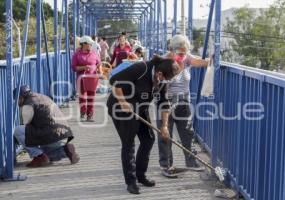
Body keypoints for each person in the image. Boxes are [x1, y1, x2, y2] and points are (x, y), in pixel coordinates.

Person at [107, 55, 180, 194]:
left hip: (140, 108)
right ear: (159, 73)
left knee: (148, 139)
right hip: (121, 108)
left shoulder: (162, 81)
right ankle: (131, 181)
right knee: (129, 143)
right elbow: (114, 82)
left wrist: (164, 126)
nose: (166, 82)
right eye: (166, 78)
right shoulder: (141, 68)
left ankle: (141, 175)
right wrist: (123, 102)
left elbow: (164, 103)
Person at [157, 34, 211, 178]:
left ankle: (191, 161)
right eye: (180, 52)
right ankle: (166, 165)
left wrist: (212, 60)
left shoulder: (186, 58)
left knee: (187, 131)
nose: (183, 55)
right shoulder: (164, 61)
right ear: (172, 50)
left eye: (185, 51)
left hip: (184, 100)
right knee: (165, 133)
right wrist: (178, 69)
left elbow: (199, 62)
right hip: (167, 101)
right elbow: (162, 84)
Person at [13, 85, 80, 167]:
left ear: (21, 97)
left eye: (16, 100)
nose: (16, 103)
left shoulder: (28, 104)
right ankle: (65, 150)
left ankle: (39, 157)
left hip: (53, 135)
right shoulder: (42, 96)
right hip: (64, 135)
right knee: (48, 156)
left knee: (18, 130)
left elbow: (25, 125)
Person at [72, 35, 102, 121]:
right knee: (82, 96)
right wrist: (83, 68)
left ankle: (90, 115)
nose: (91, 45)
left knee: (91, 97)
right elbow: (74, 68)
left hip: (92, 78)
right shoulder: (77, 55)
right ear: (83, 44)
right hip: (81, 79)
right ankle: (83, 112)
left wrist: (100, 70)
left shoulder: (94, 53)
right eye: (89, 44)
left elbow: (98, 64)